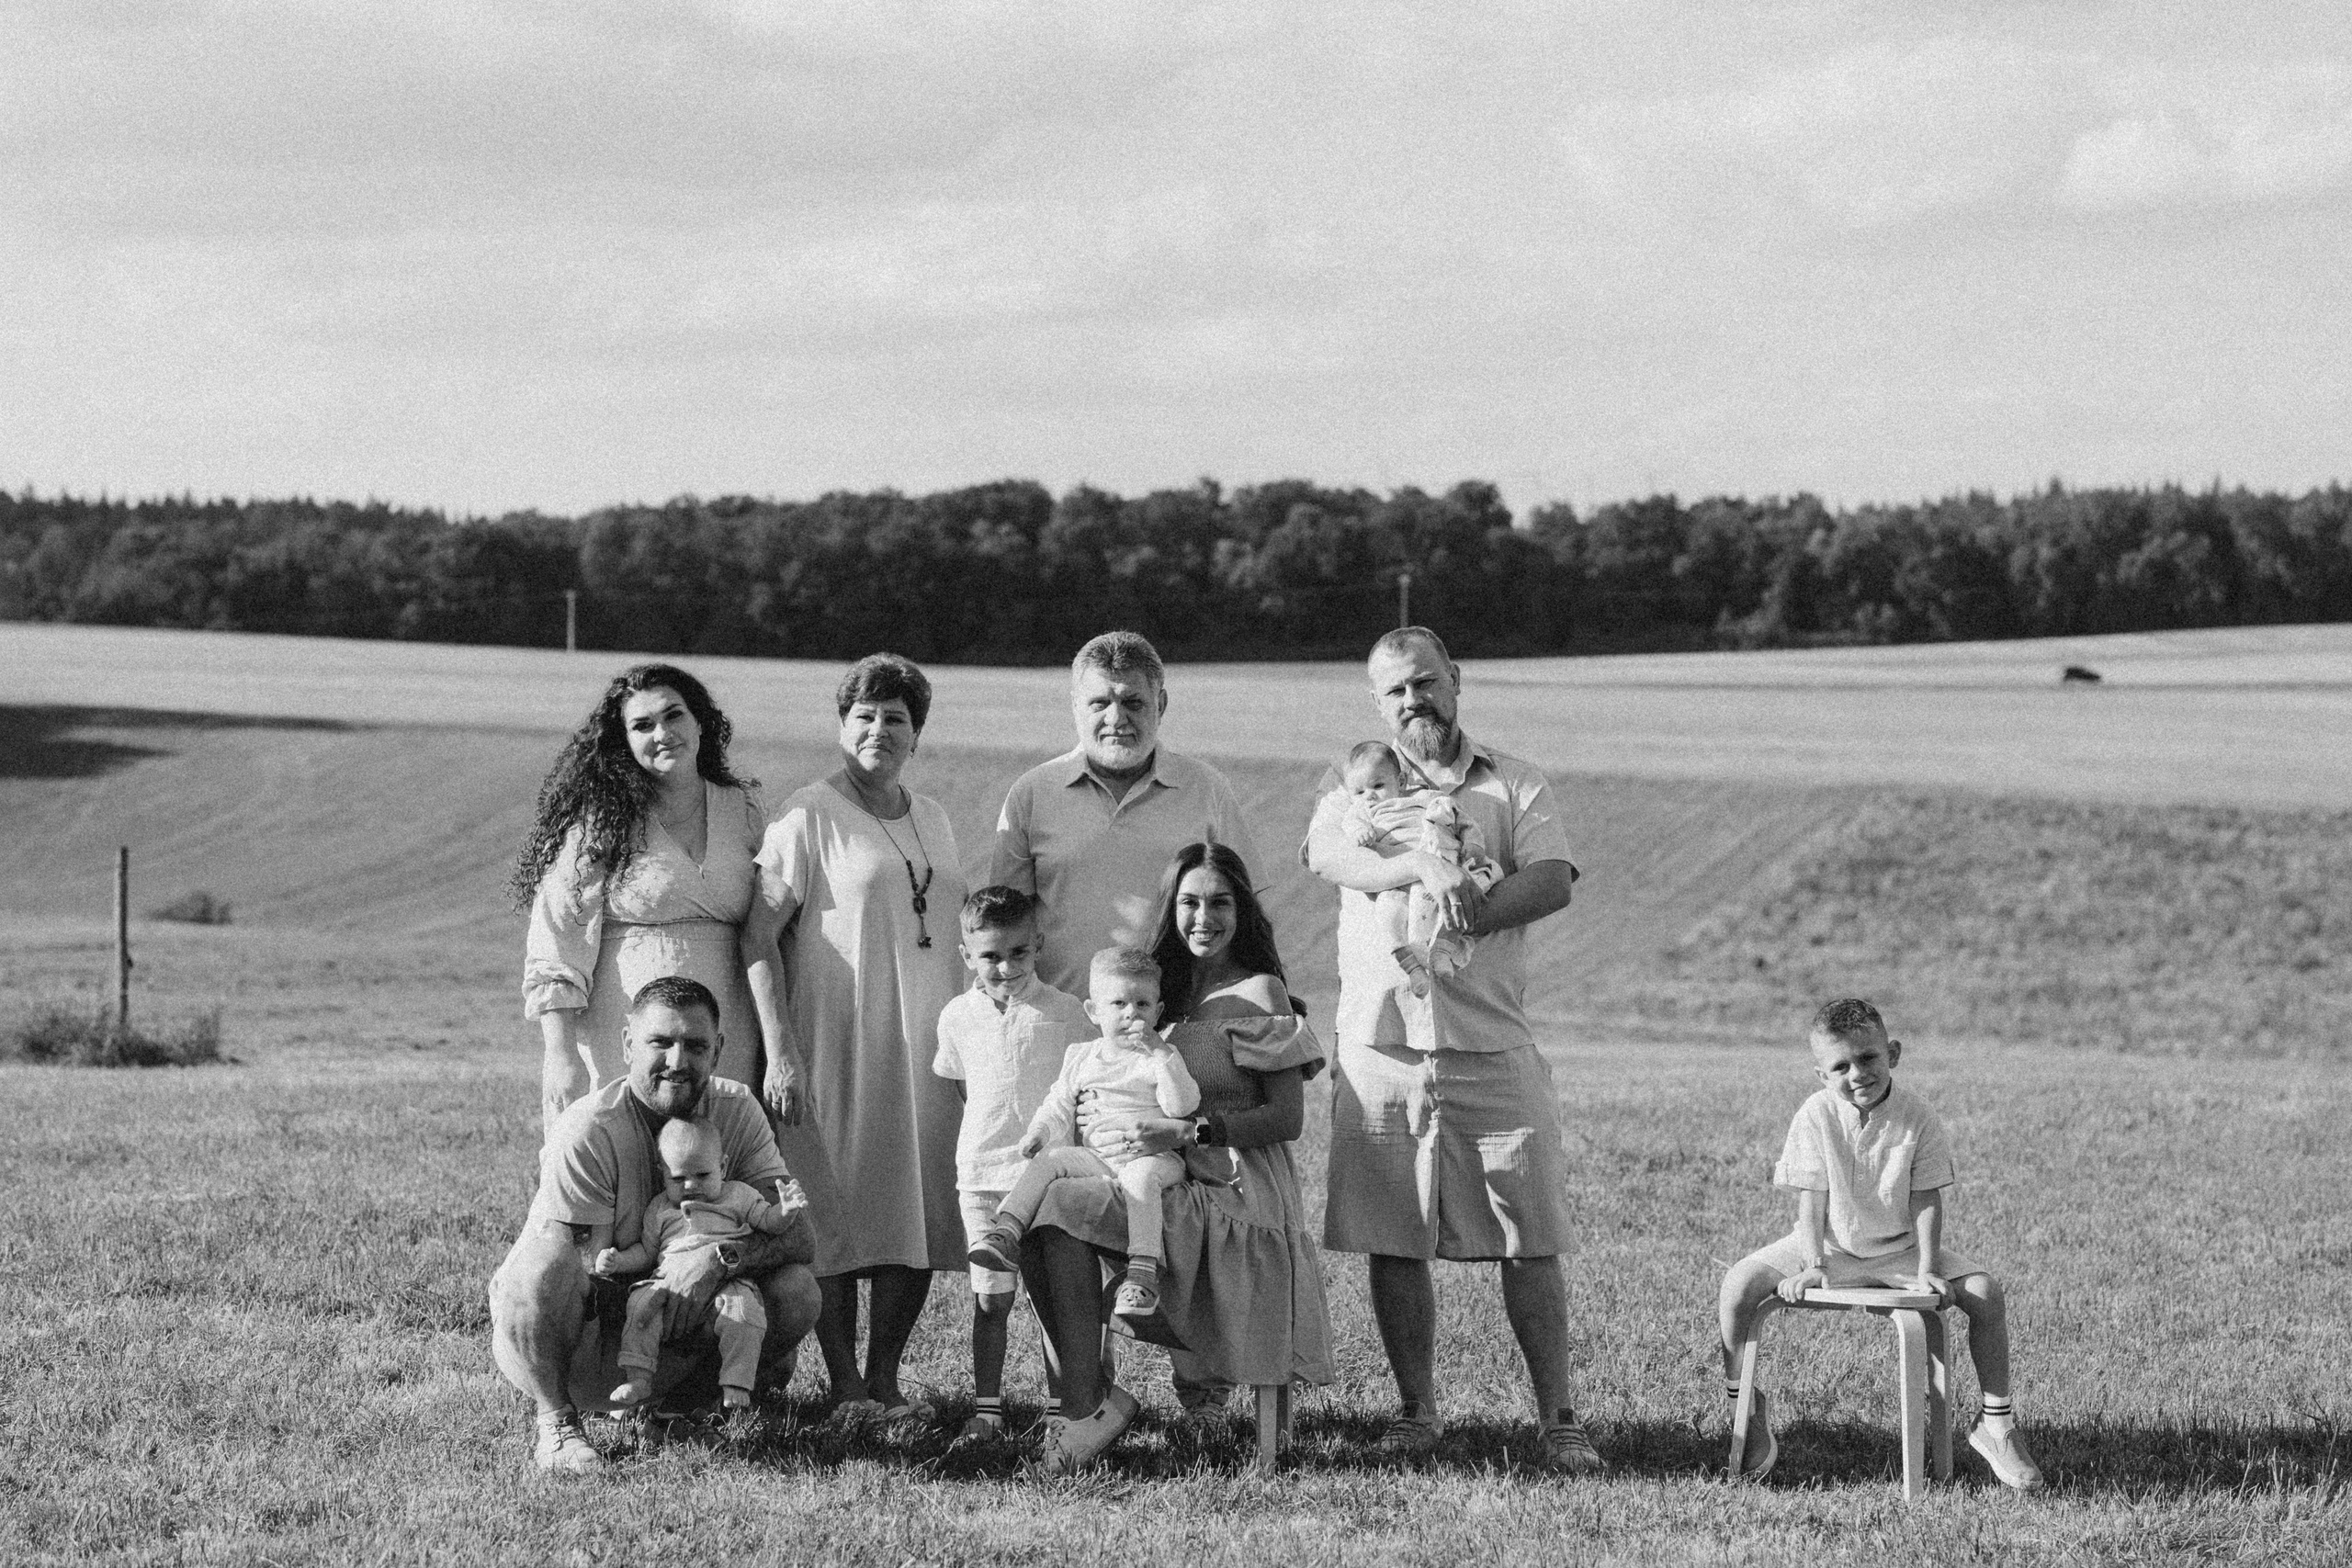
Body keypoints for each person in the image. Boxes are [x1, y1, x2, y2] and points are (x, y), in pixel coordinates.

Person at [1301, 626, 1603, 1473]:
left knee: (1530, 1234)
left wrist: (1469, 905)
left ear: (1457, 680)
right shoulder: (1353, 778)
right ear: (1377, 700)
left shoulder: (1514, 780)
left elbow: (1552, 878)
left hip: (1489, 1040)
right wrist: (1416, 873)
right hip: (1383, 1047)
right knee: (1394, 1235)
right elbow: (1327, 855)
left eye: (1425, 683)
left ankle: (1560, 1418)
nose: (1412, 701)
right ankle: (1416, 1410)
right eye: (1395, 689)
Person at [1012, 841, 1333, 1475]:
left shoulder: (1259, 990)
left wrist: (1187, 1135)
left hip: (1234, 1183)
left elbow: (1287, 1119)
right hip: (1158, 1180)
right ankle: (1090, 1402)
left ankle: (1090, 1412)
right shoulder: (1161, 991)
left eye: (1219, 902)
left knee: (1061, 1207)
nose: (1203, 917)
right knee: (1043, 1212)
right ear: (1171, 907)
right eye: (1189, 902)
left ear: (1242, 910)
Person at [744, 652, 967, 1422]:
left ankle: (886, 1380)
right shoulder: (807, 814)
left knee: (917, 1210)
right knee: (832, 1215)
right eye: (864, 716)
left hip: (926, 1049)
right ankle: (842, 1387)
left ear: (917, 734)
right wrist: (781, 1050)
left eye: (895, 717)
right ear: (842, 726)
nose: (879, 729)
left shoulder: (932, 815)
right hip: (832, 1043)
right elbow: (758, 936)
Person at [487, 976, 820, 1474]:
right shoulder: (587, 1127)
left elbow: (799, 1236)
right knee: (537, 1268)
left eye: (695, 1045)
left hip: (688, 1321)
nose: (677, 1061)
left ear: (719, 1049)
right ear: (626, 1044)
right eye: (660, 1042)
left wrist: (718, 1262)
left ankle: (685, 1408)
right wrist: (660, 1291)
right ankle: (557, 1423)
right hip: (591, 1336)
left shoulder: (737, 1109)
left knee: (797, 1291)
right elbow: (567, 1271)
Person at [1718, 998, 2043, 1490]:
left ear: (1892, 1053)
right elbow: (1812, 1198)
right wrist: (1811, 1263)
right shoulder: (1814, 1114)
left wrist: (1929, 1268)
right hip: (1828, 1245)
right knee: (1739, 1285)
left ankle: (1995, 1424)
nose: (1857, 1074)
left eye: (1868, 1058)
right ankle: (1745, 1407)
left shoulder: (1918, 1117)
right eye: (1840, 1066)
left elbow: (1926, 1199)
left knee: (1986, 1292)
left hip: (1901, 1251)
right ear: (1821, 1075)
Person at [515, 663, 800, 1138]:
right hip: (625, 1032)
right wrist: (559, 1054)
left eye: (674, 716)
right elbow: (556, 940)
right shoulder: (601, 823)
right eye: (642, 725)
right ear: (623, 740)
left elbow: (773, 928)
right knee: (623, 1164)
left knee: (718, 1175)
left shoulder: (744, 812)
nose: (662, 733)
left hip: (727, 1031)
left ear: (700, 722)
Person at [989, 630, 1261, 997]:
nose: (1116, 718)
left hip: (1177, 1023)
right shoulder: (1032, 792)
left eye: (1133, 702)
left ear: (1160, 704)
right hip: (1062, 1028)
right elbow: (1003, 926)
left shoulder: (1206, 788)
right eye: (1099, 703)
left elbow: (1249, 911)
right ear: (1075, 705)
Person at [931, 886, 1091, 1440]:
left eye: (1018, 953)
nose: (1005, 967)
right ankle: (987, 1410)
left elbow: (1081, 1090)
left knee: (1051, 1299)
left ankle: (1059, 1409)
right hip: (980, 1177)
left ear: (1038, 945)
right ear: (967, 955)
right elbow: (961, 1087)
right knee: (989, 1298)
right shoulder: (956, 1016)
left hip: (1045, 1180)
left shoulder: (1067, 1012)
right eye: (990, 956)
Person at [969, 947, 1202, 1322]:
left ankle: (1143, 1272)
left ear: (1158, 1012)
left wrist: (1160, 1052)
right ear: (1094, 1012)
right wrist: (1039, 1132)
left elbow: (1183, 1106)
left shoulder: (1159, 1058)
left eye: (1143, 1004)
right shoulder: (1082, 1056)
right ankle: (1006, 1231)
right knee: (1051, 1161)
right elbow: (1058, 1103)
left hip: (1154, 1160)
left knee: (1140, 1178)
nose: (1132, 1014)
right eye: (1119, 1003)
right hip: (1099, 1159)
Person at [593, 1118, 798, 1413]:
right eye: (678, 1179)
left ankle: (736, 1381)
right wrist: (618, 1260)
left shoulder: (738, 1196)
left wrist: (786, 1210)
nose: (690, 1186)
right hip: (666, 1283)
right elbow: (647, 1252)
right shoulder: (660, 1208)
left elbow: (769, 1222)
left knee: (745, 1313)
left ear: (723, 1168)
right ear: (662, 1174)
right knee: (640, 1307)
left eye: (702, 1175)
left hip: (727, 1282)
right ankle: (639, 1377)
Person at [1332, 739, 1503, 997]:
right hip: (1399, 877)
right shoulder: (1363, 813)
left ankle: (1443, 950)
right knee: (1388, 917)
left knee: (1469, 889)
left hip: (1444, 864)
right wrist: (1361, 833)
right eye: (1359, 792)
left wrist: (1474, 845)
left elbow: (1463, 821)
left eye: (1378, 785)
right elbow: (1350, 828)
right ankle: (1413, 969)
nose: (1369, 795)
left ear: (1400, 782)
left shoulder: (1426, 798)